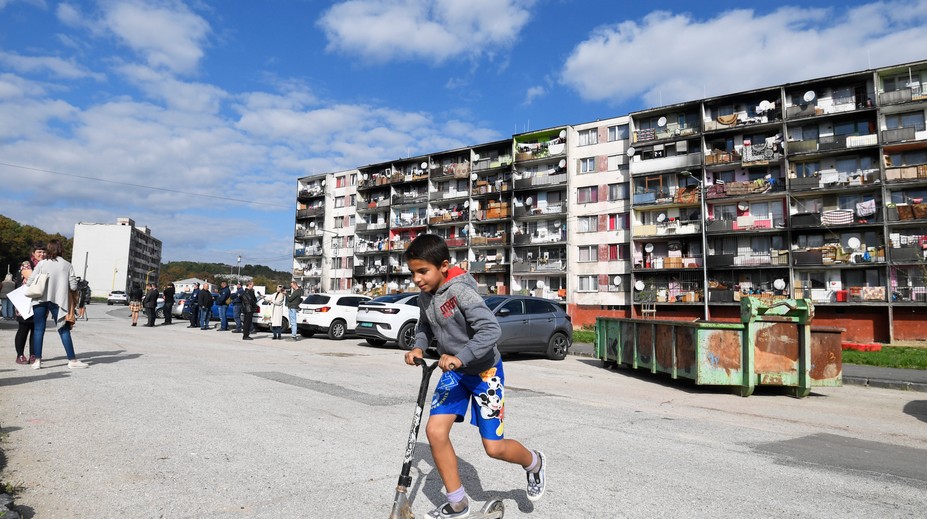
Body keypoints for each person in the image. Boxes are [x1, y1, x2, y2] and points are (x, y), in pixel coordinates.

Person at [402, 234, 545, 518]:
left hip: (484, 371)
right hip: (454, 372)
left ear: (443, 266)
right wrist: (419, 346)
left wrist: (460, 356)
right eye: (412, 273)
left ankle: (534, 463)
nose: (417, 279)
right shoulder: (425, 296)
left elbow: (491, 331)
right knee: (435, 431)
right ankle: (458, 503)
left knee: (494, 448)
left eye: (422, 271)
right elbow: (425, 326)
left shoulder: (461, 292)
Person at [26, 239, 88, 370]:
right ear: (61, 249)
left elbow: (29, 281)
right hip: (58, 301)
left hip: (39, 299)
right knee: (63, 330)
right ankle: (72, 360)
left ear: (48, 249)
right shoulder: (67, 265)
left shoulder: (42, 263)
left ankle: (37, 361)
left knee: (38, 329)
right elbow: (73, 286)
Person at [13, 245, 44, 364]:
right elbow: (32, 278)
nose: (42, 254)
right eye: (39, 251)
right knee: (23, 328)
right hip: (24, 301)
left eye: (44, 252)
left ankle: (33, 354)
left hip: (40, 302)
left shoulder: (45, 264)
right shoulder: (27, 264)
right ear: (33, 253)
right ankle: (20, 355)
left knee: (36, 329)